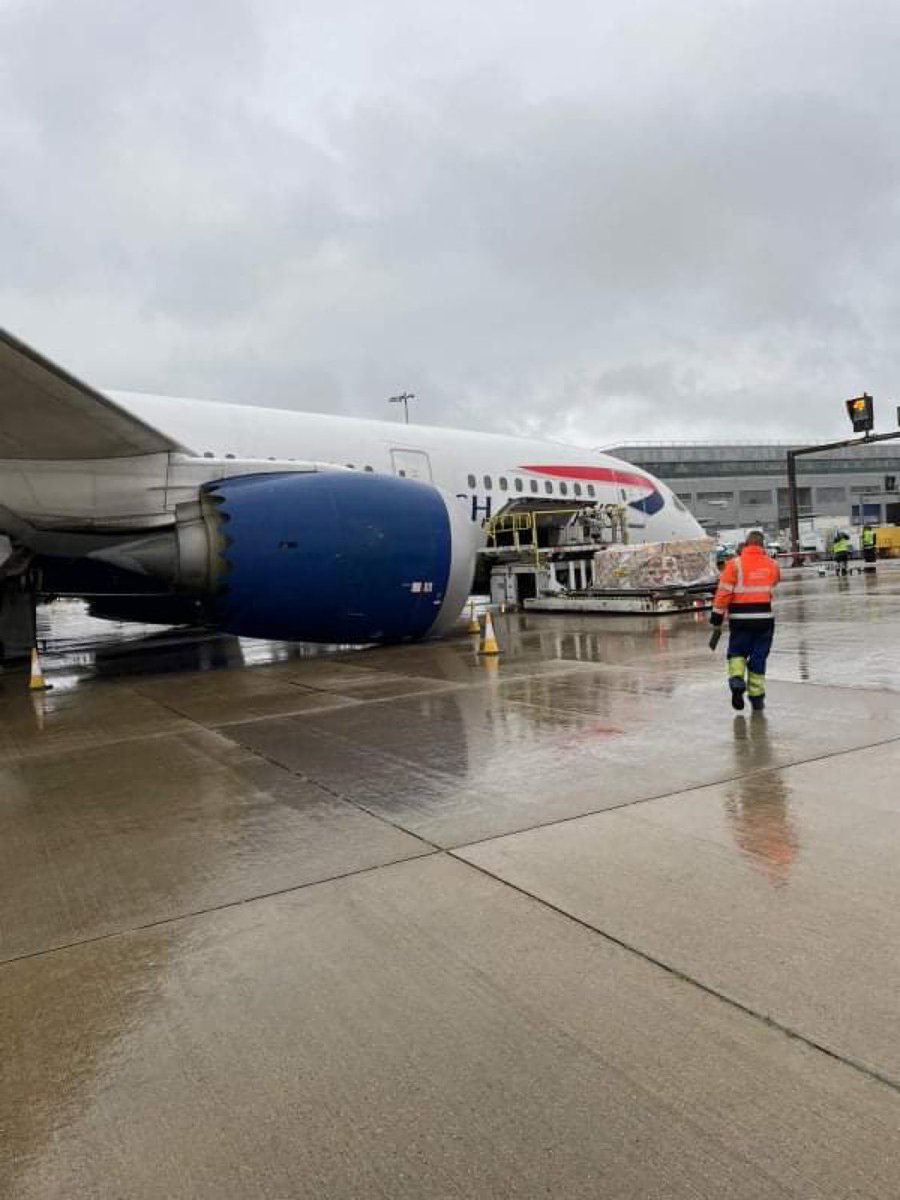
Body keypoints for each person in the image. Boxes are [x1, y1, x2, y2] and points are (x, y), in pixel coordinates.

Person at [710, 530, 780, 712]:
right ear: (762, 545)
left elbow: (723, 593)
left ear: (746, 544)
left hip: (740, 619)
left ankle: (736, 681)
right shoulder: (772, 564)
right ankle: (756, 698)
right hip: (764, 618)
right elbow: (775, 581)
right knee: (758, 657)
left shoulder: (733, 565)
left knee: (737, 652)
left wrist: (716, 617)